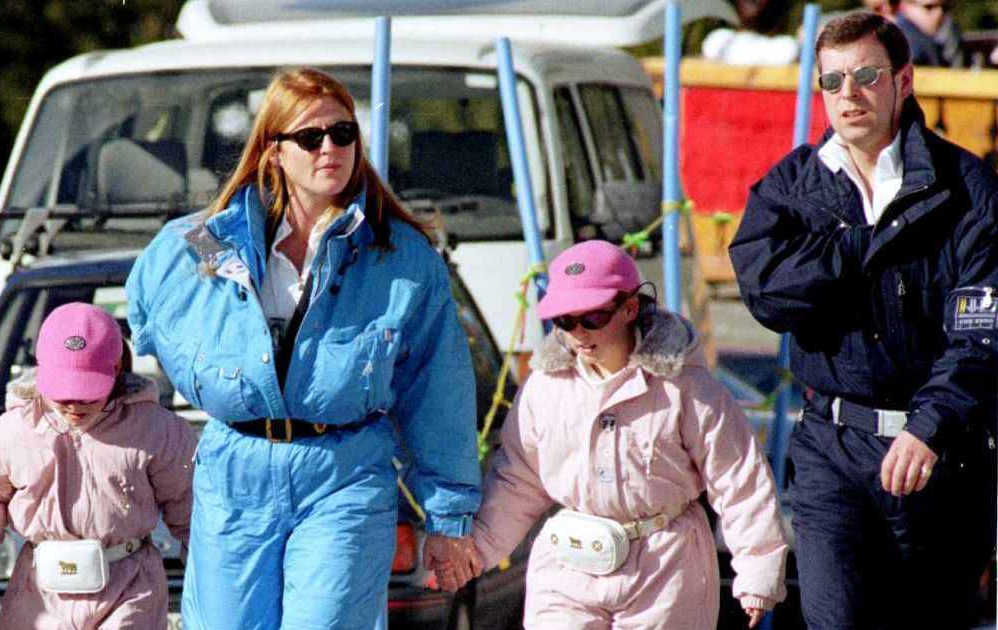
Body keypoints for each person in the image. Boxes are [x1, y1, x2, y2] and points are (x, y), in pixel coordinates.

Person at [125, 67, 481, 629]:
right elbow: (145, 306)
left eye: (343, 134)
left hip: (345, 473)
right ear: (273, 152)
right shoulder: (202, 241)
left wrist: (448, 519)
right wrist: (200, 368)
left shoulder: (402, 256)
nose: (330, 148)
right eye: (310, 137)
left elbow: (439, 394)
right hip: (232, 472)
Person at [729, 12, 998, 629]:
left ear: (903, 81)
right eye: (832, 82)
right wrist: (860, 247)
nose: (849, 95)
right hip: (831, 447)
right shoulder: (790, 188)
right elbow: (766, 292)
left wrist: (928, 427)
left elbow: (981, 339)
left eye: (867, 75)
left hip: (943, 456)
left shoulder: (971, 191)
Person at [432, 240, 788, 628]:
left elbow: (739, 480)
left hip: (665, 566)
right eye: (564, 321)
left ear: (630, 308)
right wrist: (476, 550)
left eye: (594, 318)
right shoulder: (544, 387)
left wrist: (758, 572)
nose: (578, 333)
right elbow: (519, 479)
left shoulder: (687, 388)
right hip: (568, 563)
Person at [0, 302, 197, 629]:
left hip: (129, 587)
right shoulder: (12, 433)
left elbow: (196, 512)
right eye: (63, 395)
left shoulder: (156, 431)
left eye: (87, 395)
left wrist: (212, 586)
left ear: (115, 370)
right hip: (39, 593)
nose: (74, 406)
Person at [896, 0, 964, 67]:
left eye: (945, 8)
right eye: (929, 7)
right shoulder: (902, 45)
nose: (939, 14)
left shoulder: (928, 37)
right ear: (905, 6)